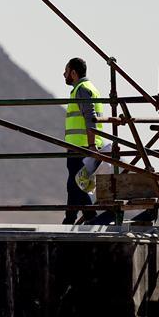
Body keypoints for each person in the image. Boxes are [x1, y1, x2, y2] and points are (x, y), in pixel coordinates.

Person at [62, 57, 105, 225]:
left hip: (82, 147)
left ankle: (83, 219)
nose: (64, 74)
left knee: (76, 184)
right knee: (76, 184)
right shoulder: (89, 88)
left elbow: (90, 118)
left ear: (73, 72)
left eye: (66, 71)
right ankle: (80, 219)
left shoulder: (82, 89)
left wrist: (92, 146)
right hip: (82, 146)